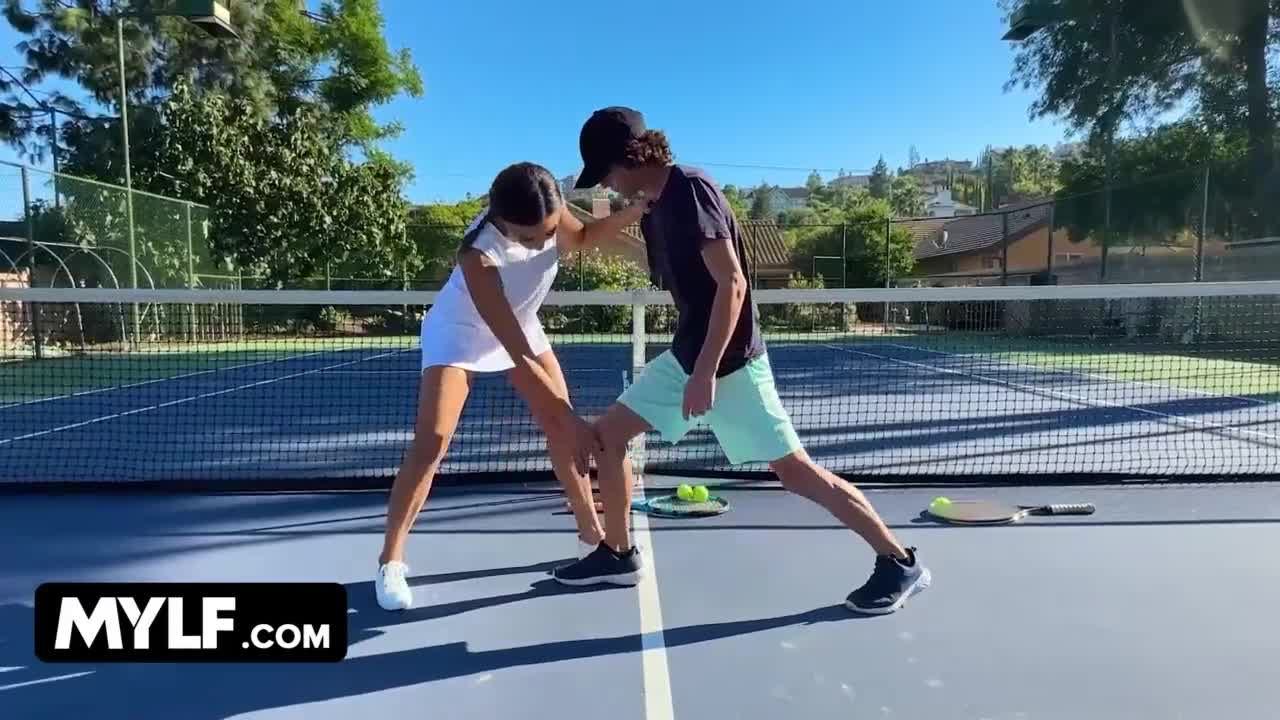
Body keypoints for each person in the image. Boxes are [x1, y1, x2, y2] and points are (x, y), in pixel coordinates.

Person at [550, 108, 931, 614]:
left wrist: (706, 371)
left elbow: (732, 283)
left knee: (795, 473)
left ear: (631, 158)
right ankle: (618, 554)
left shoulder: (691, 190)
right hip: (688, 354)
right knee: (608, 436)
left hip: (729, 362)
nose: (608, 185)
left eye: (608, 173)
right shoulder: (656, 207)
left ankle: (900, 562)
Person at [375, 161, 649, 611]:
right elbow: (516, 352)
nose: (542, 243)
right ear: (502, 222)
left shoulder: (549, 208)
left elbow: (582, 238)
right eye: (529, 238)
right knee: (432, 441)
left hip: (521, 323)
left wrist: (633, 211)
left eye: (548, 232)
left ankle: (592, 537)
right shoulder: (477, 256)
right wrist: (571, 418)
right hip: (461, 332)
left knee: (561, 430)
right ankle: (391, 560)